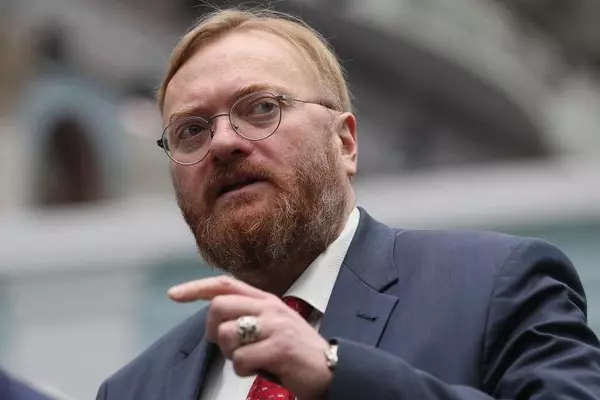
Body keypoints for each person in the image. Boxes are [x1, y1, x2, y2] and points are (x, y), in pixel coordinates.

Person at [96, 7, 600, 400]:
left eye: (262, 107)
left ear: (345, 144)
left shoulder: (496, 286)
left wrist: (337, 373)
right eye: (191, 130)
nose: (223, 142)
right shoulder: (135, 389)